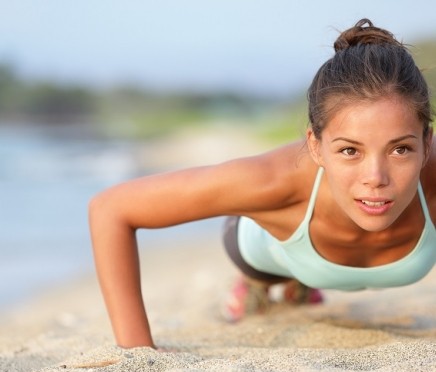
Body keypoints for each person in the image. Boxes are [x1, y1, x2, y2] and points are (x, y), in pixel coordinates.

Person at [88, 18, 436, 350]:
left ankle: (298, 285)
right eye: (349, 150)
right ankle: (263, 282)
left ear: (427, 143)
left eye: (400, 149)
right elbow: (110, 209)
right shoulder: (273, 181)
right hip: (266, 244)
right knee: (261, 260)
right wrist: (136, 349)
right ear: (315, 146)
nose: (375, 177)